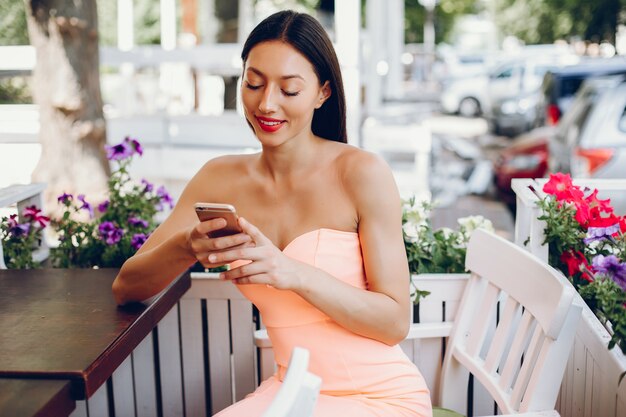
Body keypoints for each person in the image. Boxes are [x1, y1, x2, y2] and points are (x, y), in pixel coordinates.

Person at [112, 10, 432, 417]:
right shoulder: (218, 178)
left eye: (289, 90)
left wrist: (293, 273)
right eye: (254, 83)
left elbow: (394, 322)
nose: (266, 104)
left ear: (323, 93)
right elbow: (127, 287)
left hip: (381, 397)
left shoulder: (361, 173)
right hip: (292, 391)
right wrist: (186, 245)